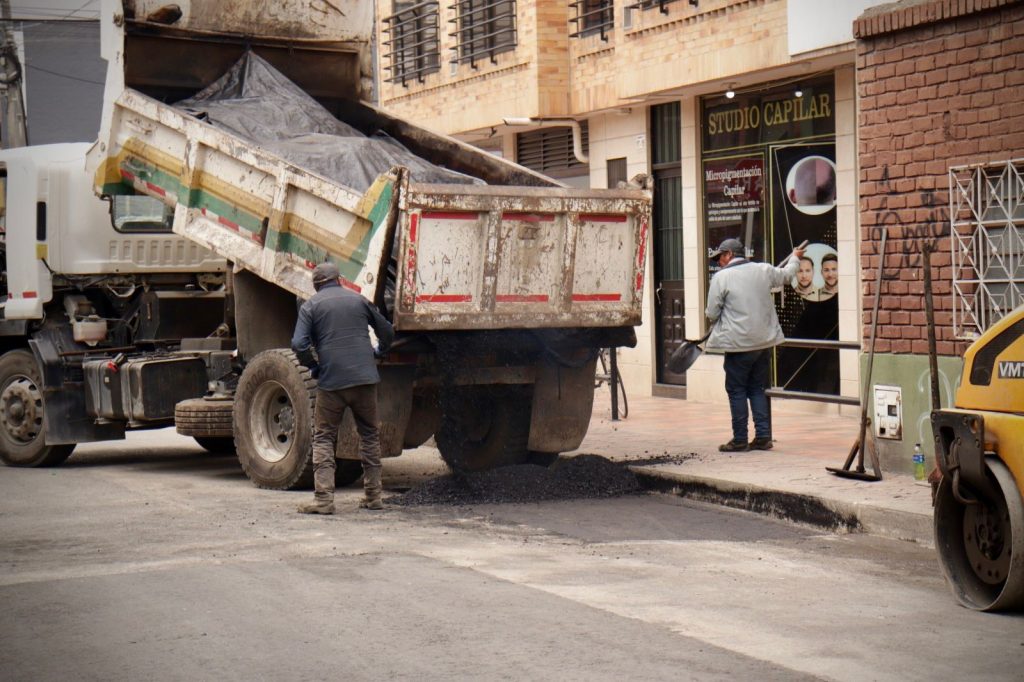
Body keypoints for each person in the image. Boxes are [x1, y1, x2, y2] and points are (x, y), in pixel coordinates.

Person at [291, 262, 394, 514]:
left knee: (324, 436)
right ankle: (373, 496)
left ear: (317, 284)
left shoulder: (310, 306)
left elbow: (298, 344)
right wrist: (379, 352)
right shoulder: (358, 300)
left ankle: (324, 500)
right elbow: (387, 331)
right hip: (365, 380)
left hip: (332, 383)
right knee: (369, 435)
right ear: (339, 279)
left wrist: (314, 367)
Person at [705, 238, 804, 452]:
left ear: (729, 254)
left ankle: (740, 439)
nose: (718, 262)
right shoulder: (764, 270)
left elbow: (712, 312)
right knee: (757, 389)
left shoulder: (721, 278)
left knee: (737, 389)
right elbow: (787, 276)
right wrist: (795, 258)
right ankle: (763, 437)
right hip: (763, 343)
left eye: (720, 257)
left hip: (738, 345)